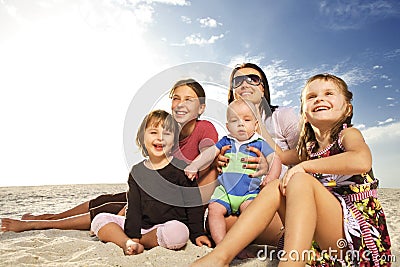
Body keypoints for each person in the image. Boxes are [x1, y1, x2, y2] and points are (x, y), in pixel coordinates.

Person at [191, 73, 392, 267]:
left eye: (329, 94)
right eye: (312, 97)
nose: (319, 99)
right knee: (275, 188)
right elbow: (277, 154)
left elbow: (362, 160)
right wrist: (255, 120)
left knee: (299, 179)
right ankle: (220, 257)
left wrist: (304, 167)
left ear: (347, 109)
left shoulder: (348, 135)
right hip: (323, 234)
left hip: (355, 235)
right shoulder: (310, 149)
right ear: (304, 113)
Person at [1, 78, 219, 233]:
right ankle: (49, 216)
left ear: (201, 108)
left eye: (189, 99)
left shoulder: (204, 127)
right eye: (176, 98)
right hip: (153, 192)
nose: (181, 103)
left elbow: (210, 152)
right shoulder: (167, 133)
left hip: (173, 202)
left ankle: (37, 225)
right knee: (104, 199)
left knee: (108, 208)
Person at [91, 109, 212, 255]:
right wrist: (133, 236)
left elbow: (194, 205)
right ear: (143, 137)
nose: (160, 137)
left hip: (168, 228)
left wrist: (198, 233)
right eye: (154, 132)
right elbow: (133, 208)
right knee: (99, 219)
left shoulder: (183, 169)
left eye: (167, 133)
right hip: (142, 227)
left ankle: (143, 242)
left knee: (179, 233)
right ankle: (127, 243)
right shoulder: (137, 172)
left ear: (174, 140)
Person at [214, 63, 300, 249]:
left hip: (278, 198)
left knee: (247, 221)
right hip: (241, 197)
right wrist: (218, 161)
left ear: (263, 88)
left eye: (253, 79)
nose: (245, 84)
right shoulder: (232, 132)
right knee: (217, 219)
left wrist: (269, 164)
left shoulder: (281, 116)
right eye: (237, 81)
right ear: (233, 92)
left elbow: (305, 155)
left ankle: (283, 236)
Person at [184, 99, 281, 245]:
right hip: (224, 191)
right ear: (228, 126)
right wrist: (194, 165)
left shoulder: (259, 142)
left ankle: (240, 245)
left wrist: (271, 177)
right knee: (214, 209)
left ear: (255, 125)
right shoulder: (226, 141)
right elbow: (210, 153)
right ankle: (222, 245)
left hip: (249, 193)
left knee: (251, 215)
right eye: (235, 120)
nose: (241, 123)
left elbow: (275, 159)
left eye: (246, 119)